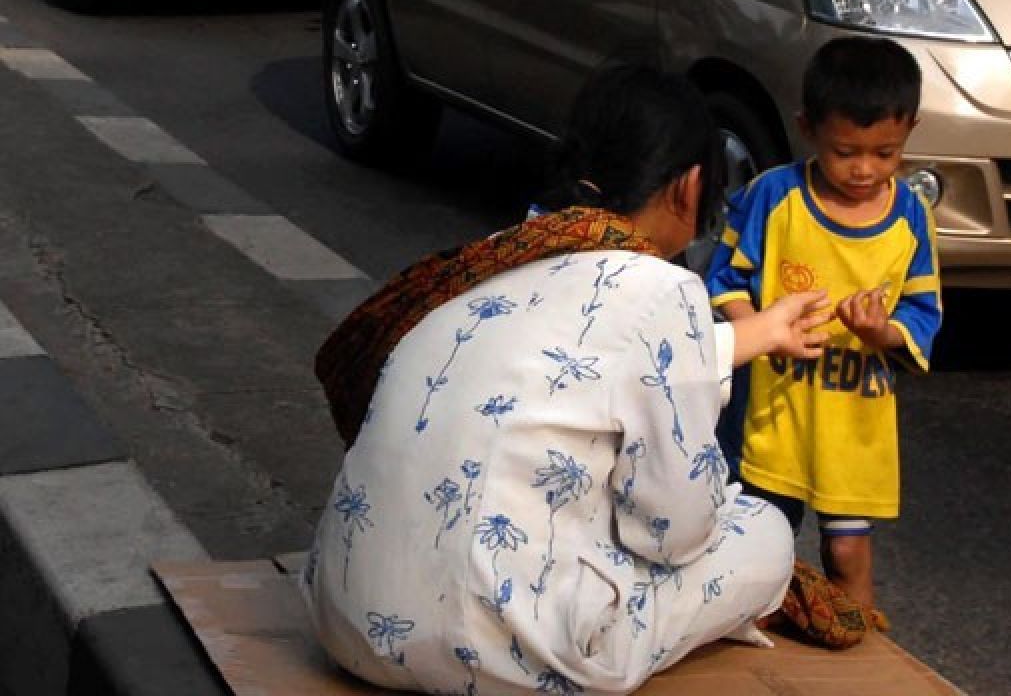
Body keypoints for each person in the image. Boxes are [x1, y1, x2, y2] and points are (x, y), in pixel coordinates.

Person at [303, 65, 835, 695]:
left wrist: (761, 332)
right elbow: (674, 532)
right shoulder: (666, 288)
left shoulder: (496, 258)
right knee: (765, 534)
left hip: (348, 623)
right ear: (690, 188)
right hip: (502, 655)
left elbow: (601, 361)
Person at [705, 36, 942, 616]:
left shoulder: (910, 216)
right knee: (758, 545)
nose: (864, 169)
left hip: (852, 421)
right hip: (773, 414)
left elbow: (923, 312)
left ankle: (860, 657)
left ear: (912, 128)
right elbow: (724, 278)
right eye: (846, 152)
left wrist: (880, 332)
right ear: (807, 128)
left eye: (885, 153)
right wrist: (757, 325)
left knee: (848, 553)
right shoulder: (773, 195)